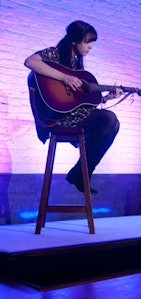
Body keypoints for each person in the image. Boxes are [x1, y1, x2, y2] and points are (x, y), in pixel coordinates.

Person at [25, 20, 123, 194]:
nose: (91, 47)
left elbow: (81, 103)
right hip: (57, 118)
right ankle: (80, 173)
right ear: (74, 41)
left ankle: (80, 172)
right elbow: (30, 61)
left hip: (72, 116)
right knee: (109, 120)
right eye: (87, 41)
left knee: (111, 123)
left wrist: (107, 97)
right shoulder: (54, 54)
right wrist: (64, 77)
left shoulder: (76, 67)